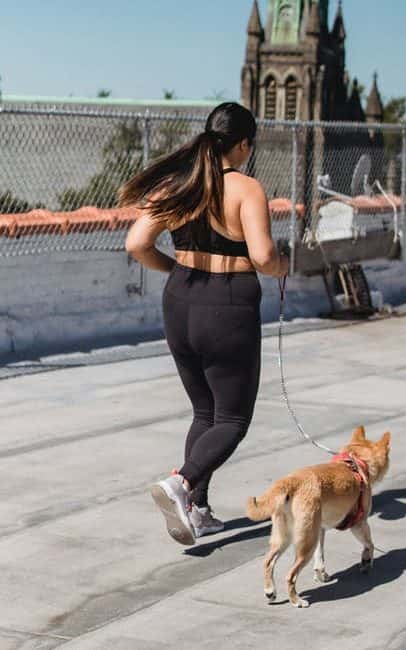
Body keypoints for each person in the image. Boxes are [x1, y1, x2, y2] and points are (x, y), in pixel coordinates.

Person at [120, 102, 289, 546]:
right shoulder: (246, 188)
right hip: (227, 304)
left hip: (179, 299)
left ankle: (198, 509)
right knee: (232, 420)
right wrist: (284, 266)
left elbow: (136, 243)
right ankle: (182, 482)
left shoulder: (181, 182)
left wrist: (174, 270)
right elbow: (264, 257)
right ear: (244, 144)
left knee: (205, 412)